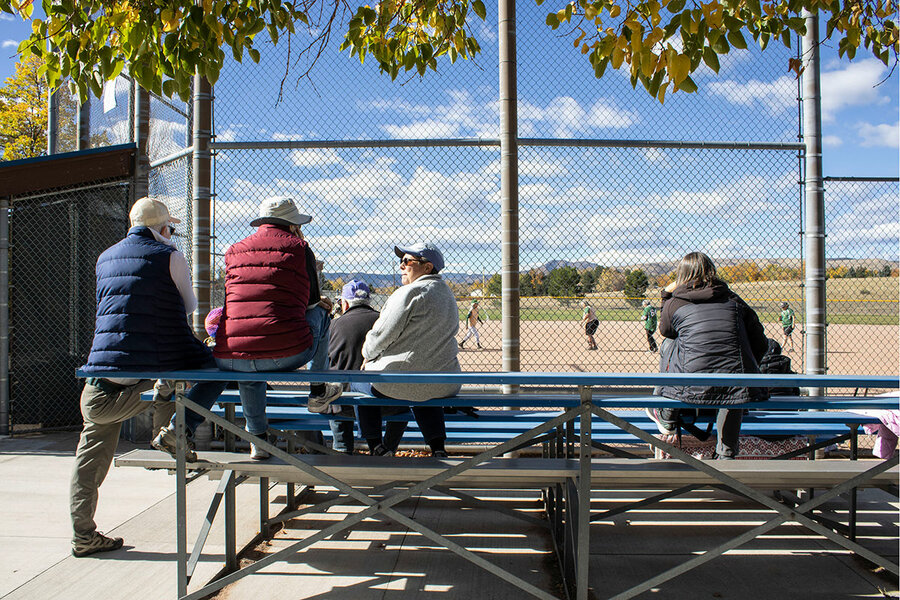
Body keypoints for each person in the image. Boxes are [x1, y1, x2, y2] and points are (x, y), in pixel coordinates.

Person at [73, 197, 225, 557]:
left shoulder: (105, 257)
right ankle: (172, 428)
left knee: (90, 456)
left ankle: (83, 534)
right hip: (148, 369)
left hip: (101, 381)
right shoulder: (170, 255)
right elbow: (188, 306)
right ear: (162, 228)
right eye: (169, 228)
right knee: (208, 370)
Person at [174, 196, 341, 461]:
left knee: (248, 364)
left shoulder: (234, 250)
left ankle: (258, 439)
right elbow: (311, 301)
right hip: (285, 353)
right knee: (322, 310)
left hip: (230, 356)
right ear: (292, 224)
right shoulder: (300, 247)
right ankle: (318, 390)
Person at [341, 243, 460, 458]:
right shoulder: (448, 294)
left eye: (407, 261)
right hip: (445, 383)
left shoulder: (409, 292)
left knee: (359, 380)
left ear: (427, 267)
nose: (402, 266)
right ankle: (438, 448)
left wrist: (368, 354)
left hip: (402, 383)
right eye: (401, 261)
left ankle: (376, 445)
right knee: (424, 386)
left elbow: (381, 334)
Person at [646, 252, 769, 459]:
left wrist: (665, 296)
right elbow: (760, 341)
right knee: (734, 379)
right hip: (734, 386)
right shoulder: (733, 299)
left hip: (688, 384)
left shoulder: (676, 301)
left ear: (680, 276)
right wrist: (748, 367)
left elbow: (665, 331)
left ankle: (667, 413)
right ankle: (727, 453)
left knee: (670, 343)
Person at [327, 279, 406, 454]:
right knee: (404, 405)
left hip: (344, 404)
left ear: (345, 303)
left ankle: (342, 451)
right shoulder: (384, 322)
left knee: (336, 394)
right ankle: (387, 448)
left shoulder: (333, 326)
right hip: (385, 403)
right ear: (368, 300)